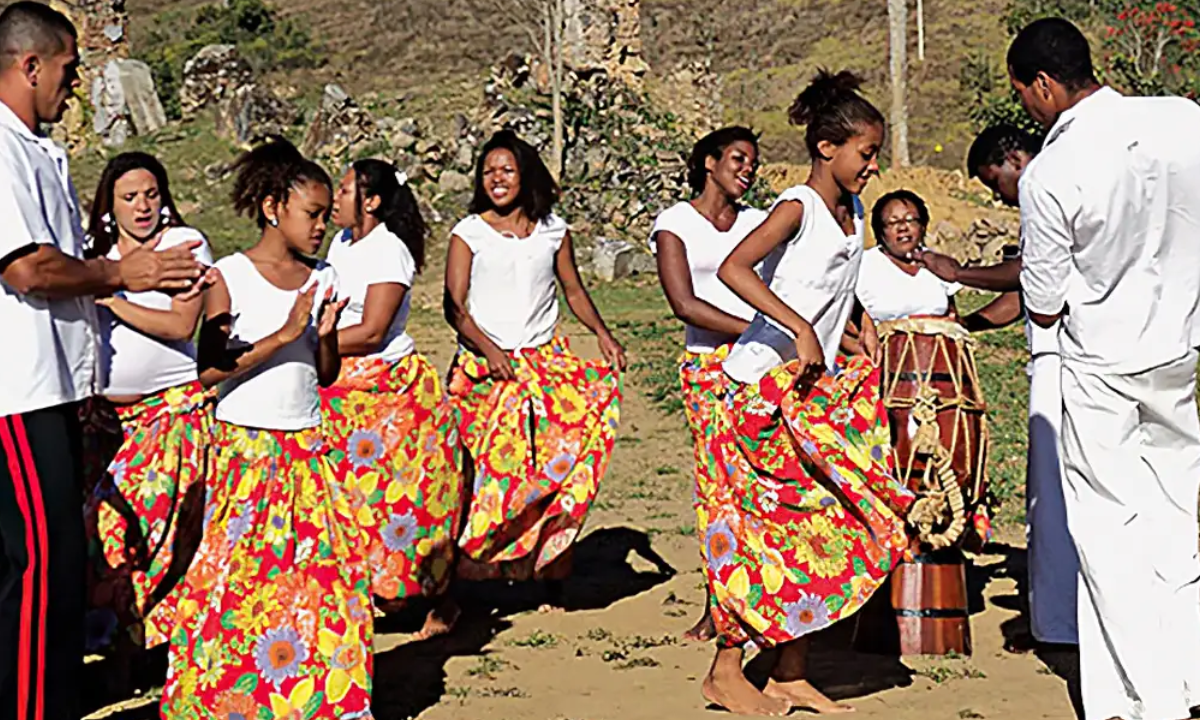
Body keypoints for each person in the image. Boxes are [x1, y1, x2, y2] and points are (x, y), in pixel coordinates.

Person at [0, 5, 202, 719]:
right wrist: (124, 276)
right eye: (67, 68)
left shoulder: (38, 151)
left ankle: (43, 695)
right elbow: (27, 269)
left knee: (54, 562)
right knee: (39, 565)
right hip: (18, 392)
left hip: (54, 387)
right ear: (30, 66)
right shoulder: (1, 149)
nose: (75, 82)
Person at [705, 70, 914, 716]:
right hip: (756, 392)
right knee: (755, 535)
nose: (873, 166)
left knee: (819, 526)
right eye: (866, 153)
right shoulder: (795, 206)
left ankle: (791, 670)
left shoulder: (850, 212)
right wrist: (798, 328)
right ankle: (724, 667)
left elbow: (832, 292)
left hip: (808, 394)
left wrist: (855, 331)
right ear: (827, 147)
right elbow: (733, 268)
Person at [1011, 18, 1200, 720]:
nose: (1029, 110)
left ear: (1044, 84)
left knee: (1110, 530)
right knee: (1176, 518)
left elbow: (1045, 301)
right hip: (1179, 351)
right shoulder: (1183, 120)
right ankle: (1190, 676)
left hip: (1102, 366)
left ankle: (1147, 699)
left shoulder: (1052, 172)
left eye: (1026, 96)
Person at [160, 138, 373, 716]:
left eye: (328, 215)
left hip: (307, 447)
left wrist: (323, 334)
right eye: (313, 214)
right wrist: (284, 332)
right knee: (236, 586)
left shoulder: (324, 276)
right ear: (274, 207)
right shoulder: (229, 275)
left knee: (326, 582)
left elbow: (324, 375)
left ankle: (321, 701)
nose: (323, 227)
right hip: (246, 452)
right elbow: (208, 369)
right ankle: (221, 700)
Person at [444, 130, 625, 603]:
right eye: (488, 172)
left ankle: (550, 567)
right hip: (485, 373)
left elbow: (575, 291)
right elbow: (455, 307)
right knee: (479, 478)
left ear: (525, 175)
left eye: (505, 170)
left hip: (548, 368)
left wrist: (602, 334)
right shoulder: (469, 234)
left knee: (555, 467)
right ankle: (464, 585)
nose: (496, 179)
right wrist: (487, 349)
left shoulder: (553, 231)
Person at [918, 124, 1080, 653]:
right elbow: (1024, 294)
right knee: (1050, 496)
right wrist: (970, 325)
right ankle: (1057, 612)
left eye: (995, 183)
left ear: (1014, 158)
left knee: (1056, 496)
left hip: (1069, 364)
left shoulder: (1049, 188)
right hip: (1058, 361)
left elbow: (1024, 272)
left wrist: (958, 271)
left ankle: (1060, 624)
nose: (997, 196)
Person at [83, 152, 218, 677]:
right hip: (105, 420)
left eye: (151, 194)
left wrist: (113, 300)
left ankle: (141, 646)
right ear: (110, 206)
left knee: (136, 532)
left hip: (168, 414)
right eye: (129, 197)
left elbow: (183, 324)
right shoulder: (97, 255)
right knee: (102, 535)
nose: (142, 206)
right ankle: (123, 643)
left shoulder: (183, 245)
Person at [321, 158, 464, 639]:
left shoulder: (389, 252)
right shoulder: (341, 244)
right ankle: (366, 590)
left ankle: (443, 598)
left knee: (409, 501)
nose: (335, 199)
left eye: (344, 191)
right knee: (348, 502)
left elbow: (372, 329)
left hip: (389, 392)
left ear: (372, 201)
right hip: (340, 389)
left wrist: (304, 340)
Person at [649, 126, 766, 643]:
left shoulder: (760, 223)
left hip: (763, 365)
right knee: (717, 488)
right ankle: (717, 604)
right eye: (738, 159)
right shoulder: (675, 223)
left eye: (753, 163)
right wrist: (756, 330)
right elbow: (684, 303)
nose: (748, 169)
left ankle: (763, 599)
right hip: (710, 367)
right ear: (709, 163)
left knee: (759, 485)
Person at [854, 189, 960, 322]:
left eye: (910, 220)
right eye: (892, 222)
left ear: (922, 226)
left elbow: (954, 317)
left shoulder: (937, 263)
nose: (903, 227)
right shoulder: (862, 266)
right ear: (880, 231)